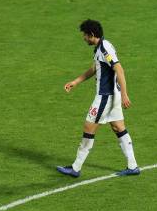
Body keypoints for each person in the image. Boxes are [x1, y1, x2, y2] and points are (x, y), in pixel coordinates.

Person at [56, 19, 140, 178]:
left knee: (88, 129)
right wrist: (76, 82)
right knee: (118, 128)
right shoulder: (101, 47)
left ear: (92, 35)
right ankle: (133, 166)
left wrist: (125, 95)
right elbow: (95, 68)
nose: (84, 38)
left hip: (105, 97)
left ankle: (75, 168)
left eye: (85, 35)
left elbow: (119, 69)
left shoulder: (104, 49)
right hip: (112, 95)